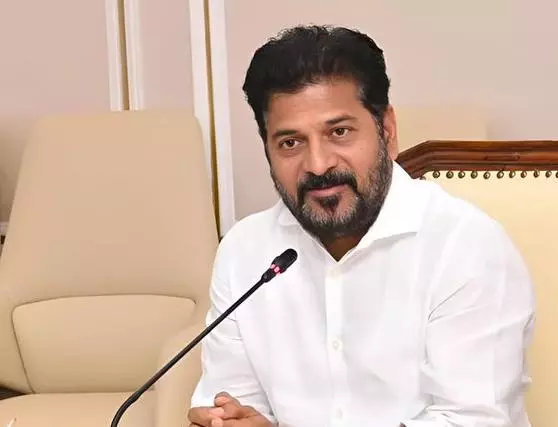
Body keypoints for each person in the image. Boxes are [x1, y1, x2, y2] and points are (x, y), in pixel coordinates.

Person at [188, 24, 535, 427]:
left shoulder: (466, 246)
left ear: (387, 132)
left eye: (339, 132)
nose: (318, 165)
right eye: (290, 143)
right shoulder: (244, 253)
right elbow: (234, 401)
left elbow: (469, 421)